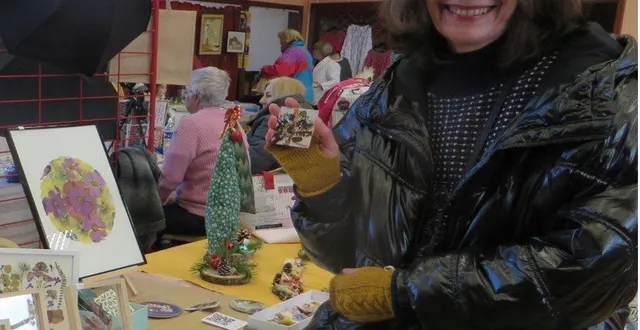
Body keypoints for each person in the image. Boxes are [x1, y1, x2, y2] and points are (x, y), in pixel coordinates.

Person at [265, 0, 638, 328]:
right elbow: (346, 260)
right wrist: (321, 184)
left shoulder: (610, 97)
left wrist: (405, 294)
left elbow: (595, 272)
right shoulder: (393, 90)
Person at [159, 67, 247, 236]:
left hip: (200, 217)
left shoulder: (190, 123)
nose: (185, 96)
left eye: (186, 91)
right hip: (229, 216)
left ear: (196, 96)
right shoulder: (234, 123)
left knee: (138, 217)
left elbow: (170, 178)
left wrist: (156, 203)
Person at [248, 77, 312, 174]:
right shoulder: (304, 116)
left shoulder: (286, 118)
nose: (261, 100)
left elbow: (257, 161)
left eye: (268, 95)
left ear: (283, 95)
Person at [261, 29, 314, 102]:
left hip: (295, 93)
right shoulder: (304, 52)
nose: (280, 45)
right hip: (307, 93)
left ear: (286, 40)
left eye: (281, 42)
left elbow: (281, 71)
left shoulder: (292, 52)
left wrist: (264, 69)